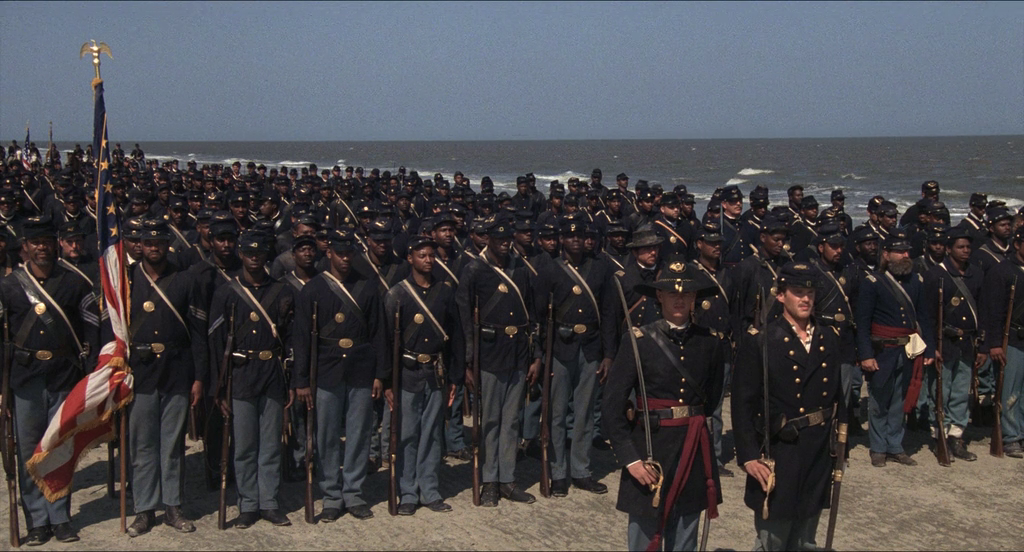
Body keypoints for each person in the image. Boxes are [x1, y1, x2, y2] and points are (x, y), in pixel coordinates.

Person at [603, 261, 726, 551]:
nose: (679, 300)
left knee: (685, 536)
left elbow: (711, 400)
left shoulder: (710, 342)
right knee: (645, 536)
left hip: (692, 449)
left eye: (686, 294)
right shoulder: (638, 342)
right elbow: (611, 407)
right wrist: (631, 460)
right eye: (672, 293)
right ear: (659, 296)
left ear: (695, 297)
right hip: (650, 451)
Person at [732, 262, 846, 551]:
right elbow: (743, 404)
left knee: (806, 536)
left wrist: (840, 444)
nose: (805, 299)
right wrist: (748, 456)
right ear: (781, 295)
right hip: (779, 449)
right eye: (798, 292)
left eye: (810, 292)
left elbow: (838, 396)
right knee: (773, 536)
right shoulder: (762, 341)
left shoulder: (828, 338)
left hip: (818, 449)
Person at [3, 216, 100, 545]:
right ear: (25, 247)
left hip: (63, 375)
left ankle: (60, 517)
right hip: (25, 379)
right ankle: (37, 521)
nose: (42, 247)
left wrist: (90, 375)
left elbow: (91, 330)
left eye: (46, 241)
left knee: (59, 448)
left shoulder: (74, 283)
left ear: (56, 244)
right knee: (29, 452)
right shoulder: (9, 287)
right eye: (36, 242)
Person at [292, 228, 387, 521]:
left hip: (360, 369)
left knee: (359, 433)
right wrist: (302, 380)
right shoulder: (313, 289)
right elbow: (301, 340)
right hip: (326, 369)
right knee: (327, 435)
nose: (345, 259)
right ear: (329, 253)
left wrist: (379, 374)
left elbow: (378, 333)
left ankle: (354, 492)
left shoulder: (367, 286)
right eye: (340, 253)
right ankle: (332, 495)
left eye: (349, 254)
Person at [125, 220, 207, 537]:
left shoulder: (185, 279)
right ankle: (144, 510)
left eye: (159, 242)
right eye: (148, 243)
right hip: (140, 374)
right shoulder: (127, 280)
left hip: (177, 372)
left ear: (167, 245)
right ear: (140, 246)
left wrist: (198, 377)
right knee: (143, 446)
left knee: (172, 446)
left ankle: (173, 506)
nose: (154, 248)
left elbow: (198, 334)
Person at [207, 230, 295, 529]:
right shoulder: (227, 293)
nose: (254, 257)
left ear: (267, 255)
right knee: (244, 445)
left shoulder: (282, 291)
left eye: (259, 253)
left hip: (272, 374)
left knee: (270, 444)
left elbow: (290, 338)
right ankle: (247, 503)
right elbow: (216, 342)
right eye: (249, 253)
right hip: (240, 375)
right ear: (241, 254)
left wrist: (292, 380)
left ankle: (268, 501)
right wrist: (219, 387)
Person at [455, 217, 538, 506]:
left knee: (511, 420)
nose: (504, 244)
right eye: (498, 239)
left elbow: (532, 314)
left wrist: (536, 355)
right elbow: (465, 317)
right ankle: (489, 480)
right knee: (490, 420)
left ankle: (507, 479)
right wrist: (468, 361)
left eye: (507, 239)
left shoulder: (520, 269)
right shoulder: (474, 270)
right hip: (489, 354)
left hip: (517, 353)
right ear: (487, 239)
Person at [533, 215, 618, 497]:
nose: (576, 240)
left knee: (584, 413)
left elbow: (608, 313)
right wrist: (541, 354)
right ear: (561, 239)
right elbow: (540, 316)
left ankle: (581, 470)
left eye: (580, 235)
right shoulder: (549, 269)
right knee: (557, 414)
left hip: (591, 347)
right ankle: (558, 472)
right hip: (560, 347)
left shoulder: (600, 268)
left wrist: (609, 354)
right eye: (570, 236)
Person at [383, 235, 465, 515]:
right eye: (422, 256)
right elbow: (387, 342)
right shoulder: (397, 294)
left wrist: (454, 377)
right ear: (410, 259)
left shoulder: (445, 292)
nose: (428, 260)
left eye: (431, 255)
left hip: (436, 372)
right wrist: (387, 380)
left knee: (431, 434)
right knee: (407, 434)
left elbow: (455, 336)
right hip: (407, 373)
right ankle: (407, 492)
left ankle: (429, 490)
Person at [855, 229, 930, 467]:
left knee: (900, 400)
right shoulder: (873, 283)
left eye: (907, 251)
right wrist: (866, 355)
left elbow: (924, 318)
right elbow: (863, 323)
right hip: (882, 351)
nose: (905, 255)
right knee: (879, 400)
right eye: (899, 251)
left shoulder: (916, 281)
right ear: (886, 254)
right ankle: (878, 447)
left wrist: (929, 350)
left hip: (907, 350)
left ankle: (895, 445)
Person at [921, 227, 983, 461]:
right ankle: (940, 436)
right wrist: (931, 347)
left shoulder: (976, 274)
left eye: (968, 247)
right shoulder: (935, 275)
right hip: (944, 343)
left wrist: (983, 346)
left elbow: (983, 311)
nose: (965, 250)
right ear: (949, 249)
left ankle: (956, 436)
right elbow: (926, 316)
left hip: (967, 343)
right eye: (960, 247)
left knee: (960, 392)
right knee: (940, 392)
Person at [980, 225, 1024, 458]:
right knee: (1009, 391)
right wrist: (995, 344)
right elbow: (993, 311)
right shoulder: (1002, 271)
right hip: (1013, 339)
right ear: (1017, 245)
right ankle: (1011, 436)